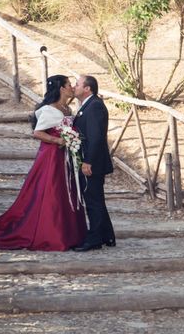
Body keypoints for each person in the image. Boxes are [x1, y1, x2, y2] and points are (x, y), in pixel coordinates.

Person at [0, 75, 86, 251]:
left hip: (66, 156)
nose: (71, 87)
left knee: (65, 190)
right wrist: (58, 141)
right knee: (52, 190)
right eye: (69, 84)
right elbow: (38, 133)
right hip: (52, 156)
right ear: (61, 88)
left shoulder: (66, 108)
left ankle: (70, 233)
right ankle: (51, 233)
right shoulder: (50, 109)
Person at [72, 75, 116, 252]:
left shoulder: (95, 106)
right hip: (91, 160)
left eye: (77, 84)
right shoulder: (88, 105)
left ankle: (94, 239)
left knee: (93, 201)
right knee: (96, 199)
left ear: (87, 88)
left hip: (93, 162)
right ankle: (108, 236)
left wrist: (87, 161)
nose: (74, 87)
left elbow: (96, 137)